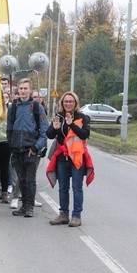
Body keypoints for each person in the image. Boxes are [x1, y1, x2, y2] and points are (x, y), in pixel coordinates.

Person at [46, 91, 93, 227]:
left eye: (70, 101)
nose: (68, 104)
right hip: (62, 158)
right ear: (62, 103)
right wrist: (54, 129)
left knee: (77, 188)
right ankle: (63, 214)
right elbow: (49, 135)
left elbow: (84, 135)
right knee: (63, 188)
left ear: (75, 103)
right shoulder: (58, 117)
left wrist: (71, 124)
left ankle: (76, 216)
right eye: (65, 101)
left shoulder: (83, 118)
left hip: (77, 158)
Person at [7, 78, 48, 218]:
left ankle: (30, 206)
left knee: (30, 180)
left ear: (30, 90)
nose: (23, 91)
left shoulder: (37, 107)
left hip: (31, 149)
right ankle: (23, 206)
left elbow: (44, 132)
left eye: (26, 88)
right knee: (21, 179)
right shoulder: (13, 108)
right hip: (17, 149)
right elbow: (9, 129)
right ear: (17, 90)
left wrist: (36, 148)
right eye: (21, 88)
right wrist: (11, 146)